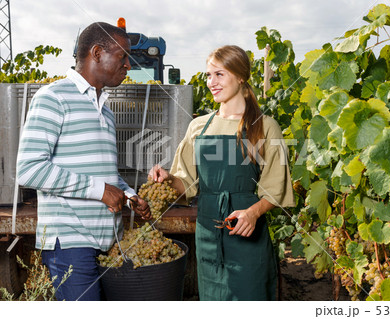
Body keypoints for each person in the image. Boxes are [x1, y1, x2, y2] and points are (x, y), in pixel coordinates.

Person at [16, 22, 151, 301]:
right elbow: (29, 170)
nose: (129, 65)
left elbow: (105, 175)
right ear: (97, 52)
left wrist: (129, 196)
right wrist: (100, 191)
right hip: (71, 243)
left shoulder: (106, 110)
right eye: (123, 56)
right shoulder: (52, 98)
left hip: (108, 240)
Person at [149, 45, 295, 300]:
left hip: (247, 233)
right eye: (208, 75)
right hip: (207, 235)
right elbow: (186, 183)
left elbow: (276, 187)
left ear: (240, 77)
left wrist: (253, 213)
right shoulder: (198, 127)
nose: (211, 82)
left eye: (219, 75)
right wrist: (168, 179)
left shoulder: (265, 126)